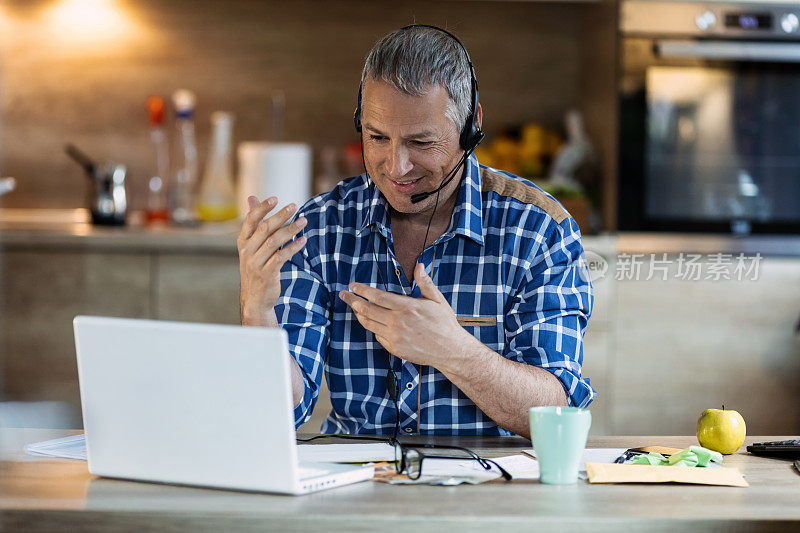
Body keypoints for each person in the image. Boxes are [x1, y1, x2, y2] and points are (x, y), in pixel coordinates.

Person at [237, 25, 594, 439]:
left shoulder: (539, 231)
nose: (396, 167)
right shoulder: (317, 229)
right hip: (356, 488)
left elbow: (559, 414)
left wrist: (453, 350)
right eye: (377, 137)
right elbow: (281, 414)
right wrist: (257, 313)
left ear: (471, 124)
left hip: (491, 490)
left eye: (421, 143)